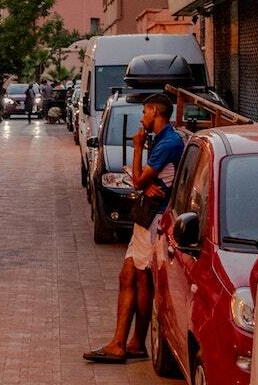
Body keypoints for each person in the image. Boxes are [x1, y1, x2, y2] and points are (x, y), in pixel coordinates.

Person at [85, 93, 185, 365]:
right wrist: (143, 180)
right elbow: (145, 180)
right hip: (147, 216)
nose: (141, 118)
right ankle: (131, 342)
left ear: (154, 110)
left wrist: (138, 148)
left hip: (153, 218)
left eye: (144, 112)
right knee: (132, 276)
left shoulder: (167, 142)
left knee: (138, 277)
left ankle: (125, 343)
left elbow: (141, 180)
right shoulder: (165, 140)